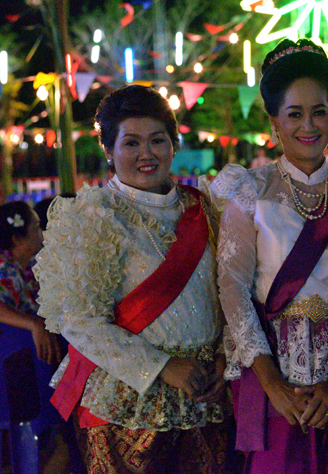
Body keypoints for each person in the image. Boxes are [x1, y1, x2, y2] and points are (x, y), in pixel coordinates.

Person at [34, 85, 228, 474]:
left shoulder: (204, 207)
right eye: (131, 142)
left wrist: (225, 356)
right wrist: (163, 367)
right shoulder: (92, 217)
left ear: (174, 145)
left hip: (204, 392)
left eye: (158, 140)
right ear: (108, 150)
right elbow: (79, 321)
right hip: (125, 401)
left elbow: (227, 291)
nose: (146, 154)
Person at [209, 39, 328, 474]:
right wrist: (272, 384)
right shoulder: (249, 191)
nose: (309, 125)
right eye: (294, 114)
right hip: (274, 374)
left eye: (320, 112)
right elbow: (232, 288)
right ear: (274, 121)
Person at [0, 201, 57, 365]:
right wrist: (33, 324)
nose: (42, 233)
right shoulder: (4, 270)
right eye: (37, 227)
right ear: (17, 239)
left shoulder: (32, 265)